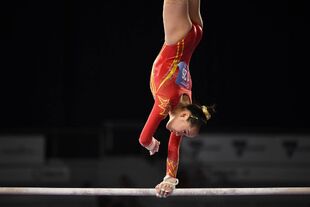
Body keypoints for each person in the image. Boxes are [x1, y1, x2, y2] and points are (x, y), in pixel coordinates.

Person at [139, 0, 215, 198]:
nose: (180, 135)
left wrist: (169, 179)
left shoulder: (184, 103)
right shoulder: (165, 102)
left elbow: (173, 148)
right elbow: (144, 138)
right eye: (185, 131)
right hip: (178, 38)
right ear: (184, 115)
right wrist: (151, 145)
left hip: (195, 35)